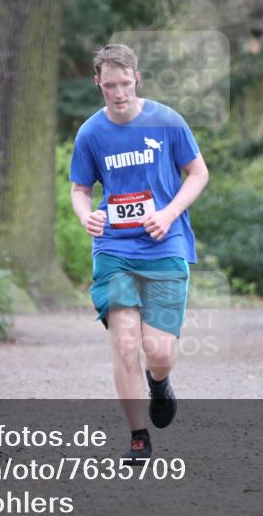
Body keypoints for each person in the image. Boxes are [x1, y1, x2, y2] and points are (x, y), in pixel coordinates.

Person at [69, 43, 209, 462]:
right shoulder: (91, 132)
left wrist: (168, 214)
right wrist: (84, 216)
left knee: (159, 351)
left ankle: (159, 383)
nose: (118, 93)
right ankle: (137, 436)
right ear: (98, 83)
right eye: (109, 85)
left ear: (137, 79)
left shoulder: (167, 121)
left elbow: (198, 173)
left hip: (165, 245)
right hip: (114, 248)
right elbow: (80, 188)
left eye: (125, 83)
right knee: (125, 343)